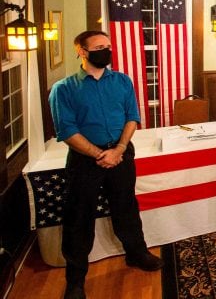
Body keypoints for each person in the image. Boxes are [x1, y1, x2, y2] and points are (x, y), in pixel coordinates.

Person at [49, 31, 163, 299]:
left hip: (122, 154)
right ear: (82, 51)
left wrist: (120, 149)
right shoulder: (63, 89)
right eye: (99, 47)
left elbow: (132, 117)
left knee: (126, 206)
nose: (106, 51)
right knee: (79, 217)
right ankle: (76, 280)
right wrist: (100, 154)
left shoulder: (123, 81)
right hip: (85, 161)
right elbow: (67, 130)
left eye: (108, 46)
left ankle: (136, 253)